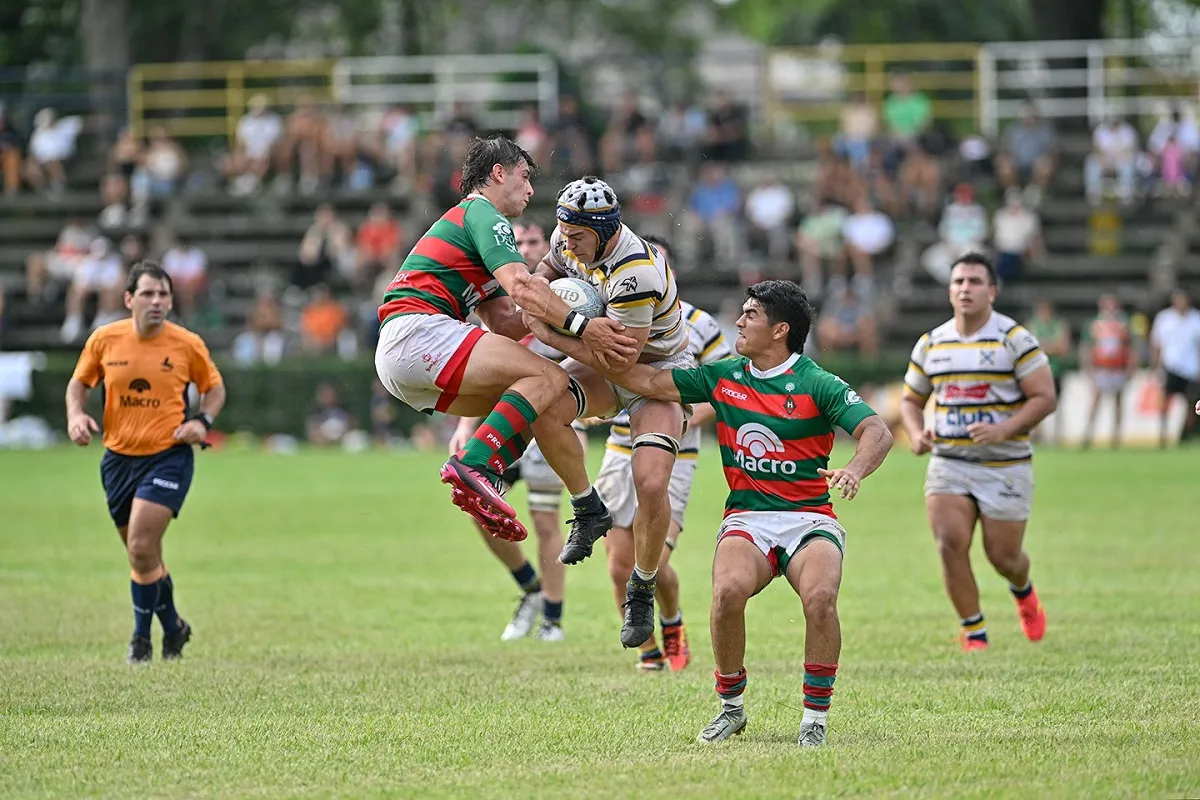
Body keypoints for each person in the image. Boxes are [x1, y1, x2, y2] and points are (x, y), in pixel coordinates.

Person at [526, 280, 894, 748]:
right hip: (748, 517)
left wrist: (855, 470)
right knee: (726, 593)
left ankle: (814, 717)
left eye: (750, 315)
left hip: (810, 517)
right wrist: (565, 340)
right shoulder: (724, 375)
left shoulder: (817, 381)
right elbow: (647, 382)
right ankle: (731, 708)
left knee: (820, 599)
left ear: (780, 330)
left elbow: (876, 431)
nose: (738, 321)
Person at [374, 136, 637, 543]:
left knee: (534, 401)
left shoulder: (471, 226)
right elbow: (521, 288)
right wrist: (584, 325)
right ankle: (477, 465)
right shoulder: (485, 214)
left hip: (403, 357)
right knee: (551, 380)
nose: (530, 190)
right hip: (419, 330)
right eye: (525, 177)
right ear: (499, 173)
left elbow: (509, 324)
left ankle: (570, 502)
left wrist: (560, 298)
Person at [524, 176, 691, 651]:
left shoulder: (634, 272)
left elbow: (620, 361)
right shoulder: (567, 235)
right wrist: (542, 293)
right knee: (546, 408)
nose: (568, 243)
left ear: (606, 229)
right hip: (606, 352)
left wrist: (551, 331)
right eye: (564, 233)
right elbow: (542, 276)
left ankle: (642, 586)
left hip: (655, 370)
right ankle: (587, 506)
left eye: (578, 236)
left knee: (652, 482)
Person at [65, 262, 225, 664]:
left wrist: (201, 422)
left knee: (139, 546)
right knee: (145, 557)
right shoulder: (105, 339)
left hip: (167, 457)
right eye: (149, 293)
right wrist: (75, 415)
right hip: (118, 460)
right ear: (129, 299)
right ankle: (174, 628)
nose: (157, 302)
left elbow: (215, 388)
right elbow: (78, 384)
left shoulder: (186, 344)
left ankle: (141, 640)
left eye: (164, 294)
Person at [900, 253, 1056, 652]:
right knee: (949, 542)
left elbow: (1045, 397)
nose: (965, 288)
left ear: (992, 290)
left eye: (974, 281)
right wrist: (917, 434)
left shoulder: (1014, 339)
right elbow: (911, 400)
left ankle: (1023, 591)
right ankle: (975, 634)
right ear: (950, 290)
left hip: (1005, 462)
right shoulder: (932, 342)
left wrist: (1002, 429)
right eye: (958, 282)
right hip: (950, 461)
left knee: (1003, 556)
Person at [593, 235, 731, 671]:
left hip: (677, 454)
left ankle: (671, 620)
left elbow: (723, 390)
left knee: (652, 559)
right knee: (618, 565)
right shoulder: (609, 313)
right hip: (619, 448)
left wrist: (680, 418)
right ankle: (650, 652)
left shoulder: (699, 324)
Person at [446, 221, 576, 642]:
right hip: (499, 422)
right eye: (516, 242)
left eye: (532, 240)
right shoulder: (498, 300)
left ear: (546, 247)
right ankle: (530, 588)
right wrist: (467, 425)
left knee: (544, 520)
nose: (524, 247)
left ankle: (552, 620)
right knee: (477, 508)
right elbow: (482, 372)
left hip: (542, 424)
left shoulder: (566, 295)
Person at [1079, 293, 1136, 449]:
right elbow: (1087, 346)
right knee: (1095, 402)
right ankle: (1088, 435)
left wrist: (1131, 366)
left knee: (1118, 402)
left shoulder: (1124, 323)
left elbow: (1131, 347)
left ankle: (1116, 437)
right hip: (1101, 368)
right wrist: (1087, 367)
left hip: (1117, 368)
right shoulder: (1094, 324)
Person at [1149, 289, 1200, 446]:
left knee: (1191, 405)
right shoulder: (1164, 318)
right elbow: (1157, 344)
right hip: (1170, 366)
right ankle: (1162, 436)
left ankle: (1184, 435)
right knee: (1165, 403)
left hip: (1190, 369)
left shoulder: (1196, 319)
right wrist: (1155, 366)